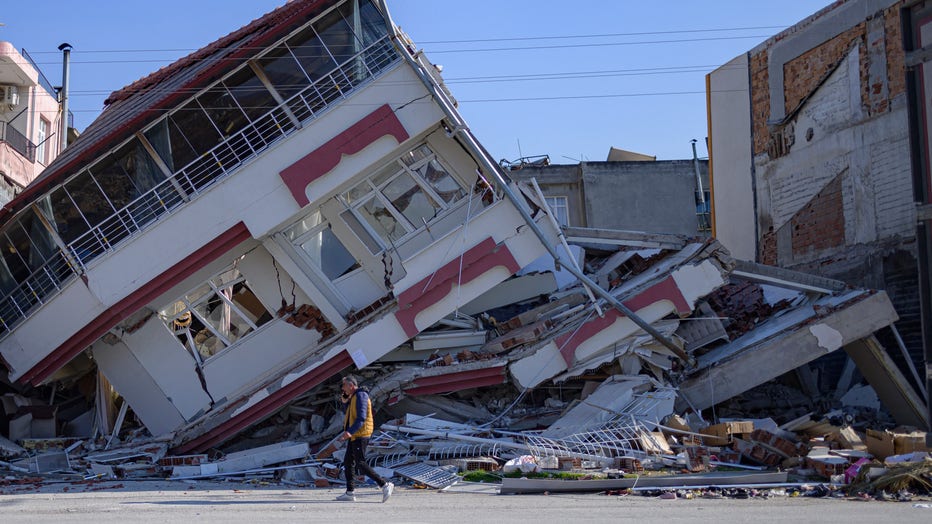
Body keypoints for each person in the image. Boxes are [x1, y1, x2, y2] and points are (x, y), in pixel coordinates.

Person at [335, 374, 394, 502]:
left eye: (344, 386)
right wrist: (345, 400)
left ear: (351, 385)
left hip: (360, 434)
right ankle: (350, 493)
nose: (342, 389)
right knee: (348, 462)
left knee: (360, 463)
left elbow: (361, 418)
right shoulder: (354, 397)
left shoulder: (361, 396)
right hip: (356, 434)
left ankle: (384, 484)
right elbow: (349, 413)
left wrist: (350, 432)